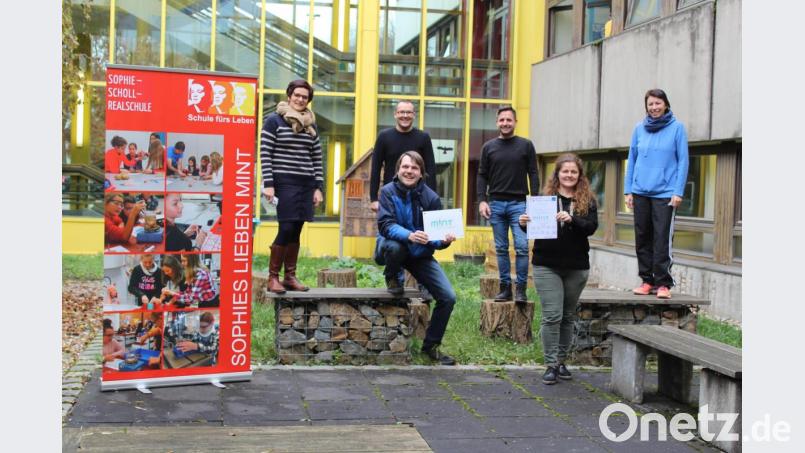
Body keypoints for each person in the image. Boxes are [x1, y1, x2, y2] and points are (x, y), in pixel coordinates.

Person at [518, 153, 598, 385]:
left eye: (574, 172)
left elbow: (591, 228)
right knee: (552, 315)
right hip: (546, 264)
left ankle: (562, 361)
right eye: (565, 171)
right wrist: (524, 224)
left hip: (576, 266)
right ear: (558, 174)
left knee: (567, 316)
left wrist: (572, 220)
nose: (569, 175)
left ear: (579, 175)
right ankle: (551, 363)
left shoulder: (587, 200)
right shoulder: (544, 199)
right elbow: (533, 231)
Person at [375, 151, 457, 365]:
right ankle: (393, 277)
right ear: (398, 170)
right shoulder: (387, 192)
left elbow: (436, 240)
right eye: (405, 167)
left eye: (414, 168)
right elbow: (385, 225)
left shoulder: (431, 198)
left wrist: (445, 240)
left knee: (448, 297)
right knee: (395, 246)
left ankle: (431, 346)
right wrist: (409, 235)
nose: (409, 171)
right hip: (391, 248)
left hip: (419, 255)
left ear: (421, 173)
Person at [624, 89, 689, 300]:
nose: (654, 107)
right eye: (650, 104)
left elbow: (683, 162)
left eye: (658, 103)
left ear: (666, 105)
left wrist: (678, 191)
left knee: (662, 238)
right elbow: (632, 159)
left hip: (665, 193)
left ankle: (663, 283)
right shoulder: (638, 129)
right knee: (642, 237)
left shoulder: (677, 128)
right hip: (640, 191)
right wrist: (628, 190)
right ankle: (646, 280)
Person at [260, 79, 324, 294]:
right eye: (296, 95)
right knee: (286, 227)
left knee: (296, 230)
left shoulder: (310, 124)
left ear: (308, 100)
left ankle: (290, 276)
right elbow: (265, 153)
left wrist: (318, 187)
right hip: (284, 183)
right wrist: (268, 184)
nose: (300, 99)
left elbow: (317, 158)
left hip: (306, 184)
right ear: (289, 96)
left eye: (304, 97)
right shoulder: (274, 121)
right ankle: (272, 277)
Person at [477, 106, 539, 303]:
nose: (505, 123)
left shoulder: (526, 145)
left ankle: (521, 289)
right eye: (502, 120)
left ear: (515, 122)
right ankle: (505, 289)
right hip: (495, 204)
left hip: (519, 205)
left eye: (509, 120)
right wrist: (482, 201)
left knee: (521, 247)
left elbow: (534, 173)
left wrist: (534, 202)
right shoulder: (488, 147)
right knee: (501, 249)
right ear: (497, 122)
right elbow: (482, 175)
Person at [369, 100, 437, 213]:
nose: (405, 116)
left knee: (418, 230)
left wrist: (431, 198)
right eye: (401, 112)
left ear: (414, 115)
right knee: (390, 229)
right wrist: (374, 198)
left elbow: (430, 169)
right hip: (391, 196)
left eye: (409, 112)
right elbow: (375, 168)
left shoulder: (423, 138)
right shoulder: (384, 137)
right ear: (395, 114)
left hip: (418, 197)